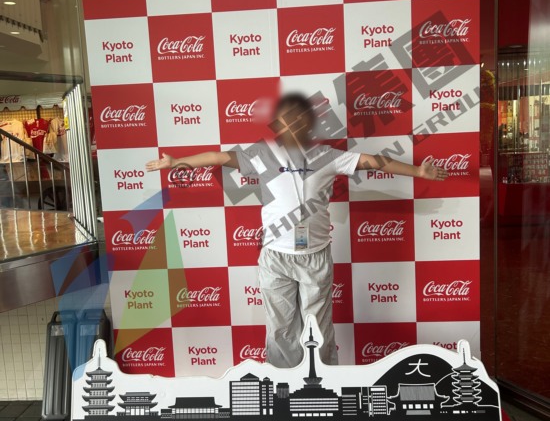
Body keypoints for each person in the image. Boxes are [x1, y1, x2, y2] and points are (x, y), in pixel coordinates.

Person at [146, 93, 447, 368]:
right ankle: (283, 386)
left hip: (315, 255)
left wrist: (418, 171)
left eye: (299, 119)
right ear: (278, 125)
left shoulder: (327, 155)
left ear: (309, 124)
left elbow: (373, 162)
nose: (292, 125)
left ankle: (324, 378)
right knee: (281, 328)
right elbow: (218, 157)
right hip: (276, 257)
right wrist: (177, 162)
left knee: (318, 327)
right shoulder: (261, 154)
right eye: (286, 119)